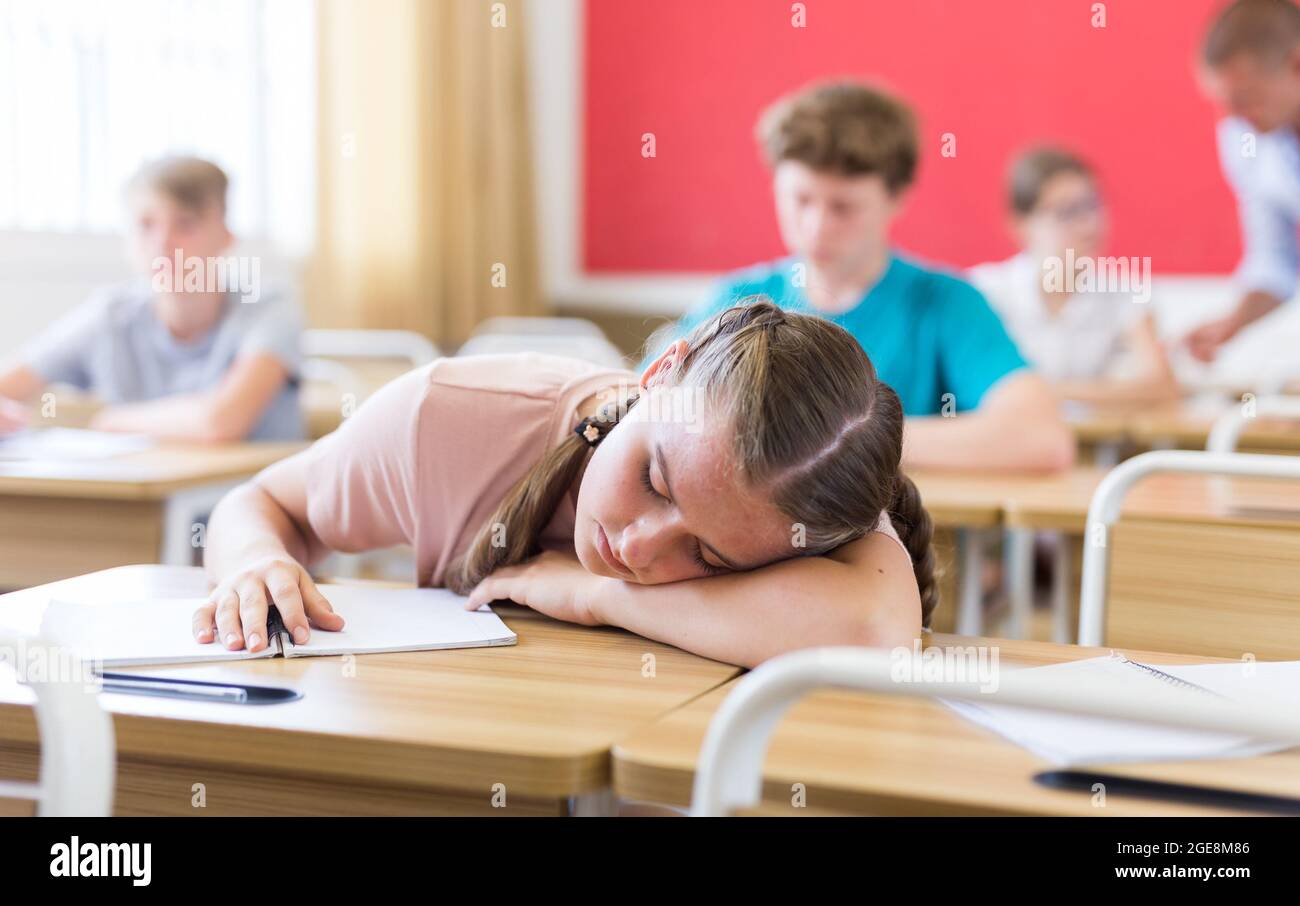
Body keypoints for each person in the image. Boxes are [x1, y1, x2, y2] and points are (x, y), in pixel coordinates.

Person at [196, 301, 934, 669]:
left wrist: (592, 595)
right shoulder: (450, 417)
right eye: (654, 479)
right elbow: (261, 502)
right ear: (659, 372)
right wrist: (254, 562)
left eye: (709, 560)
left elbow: (874, 630)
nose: (640, 549)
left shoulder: (810, 484)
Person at [647, 82, 1074, 473]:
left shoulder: (945, 303)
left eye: (843, 207)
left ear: (896, 199)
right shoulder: (736, 300)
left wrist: (820, 440)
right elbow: (644, 409)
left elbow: (1041, 438)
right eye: (800, 199)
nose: (816, 227)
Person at [0, 156, 304, 441]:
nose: (163, 243)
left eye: (185, 224)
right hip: (146, 495)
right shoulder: (111, 317)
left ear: (225, 235)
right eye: (146, 225)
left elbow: (222, 421)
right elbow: (9, 385)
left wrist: (114, 420)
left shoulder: (267, 311)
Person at [968, 148, 1179, 404]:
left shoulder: (1126, 293)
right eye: (1067, 212)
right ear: (1021, 224)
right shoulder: (985, 291)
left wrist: (1044, 392)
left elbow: (1160, 388)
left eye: (1092, 205)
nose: (1089, 224)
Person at [1186, 0, 1300, 362]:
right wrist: (1234, 323)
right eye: (1223, 104)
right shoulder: (1244, 141)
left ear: (1297, 65)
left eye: (1246, 99)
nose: (1234, 118)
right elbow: (1275, 262)